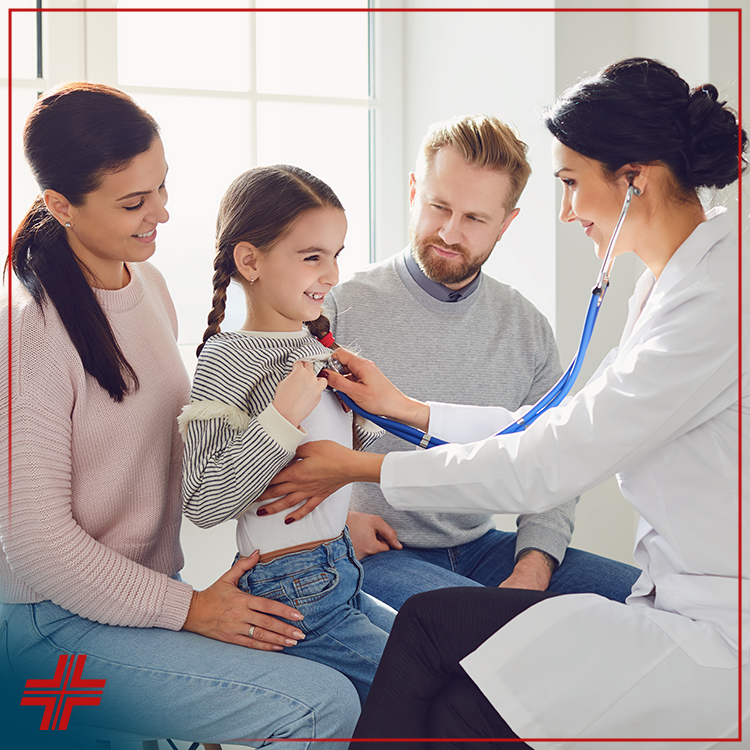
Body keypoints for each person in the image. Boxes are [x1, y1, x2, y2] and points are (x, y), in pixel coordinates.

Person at [259, 57, 748, 746]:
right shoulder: (677, 285)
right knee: (457, 687)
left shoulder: (715, 298)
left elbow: (554, 456)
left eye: (573, 182)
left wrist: (362, 469)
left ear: (634, 180)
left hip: (717, 624)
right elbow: (552, 430)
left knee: (451, 659)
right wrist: (409, 410)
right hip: (683, 598)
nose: (568, 209)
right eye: (439, 205)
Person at [0, 82, 361, 750]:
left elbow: (204, 458)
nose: (161, 213)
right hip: (55, 629)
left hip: (146, 598)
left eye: (162, 187)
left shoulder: (150, 286)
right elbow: (37, 545)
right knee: (320, 706)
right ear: (60, 206)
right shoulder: (30, 335)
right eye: (134, 202)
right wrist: (187, 609)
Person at [326, 114, 640, 608]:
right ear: (414, 191)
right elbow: (280, 445)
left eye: (474, 219)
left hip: (485, 547)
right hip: (381, 551)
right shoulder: (338, 308)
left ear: (506, 223)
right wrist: (338, 521)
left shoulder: (526, 326)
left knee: (645, 601)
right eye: (439, 207)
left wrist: (533, 563)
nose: (450, 232)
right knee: (482, 628)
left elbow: (553, 461)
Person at [179, 165, 395, 704]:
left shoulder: (318, 349)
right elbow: (203, 502)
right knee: (431, 692)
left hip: (341, 568)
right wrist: (278, 417)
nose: (333, 274)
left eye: (337, 254)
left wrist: (365, 411)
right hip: (291, 588)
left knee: (449, 664)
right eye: (312, 257)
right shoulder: (226, 360)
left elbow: (323, 468)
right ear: (250, 260)